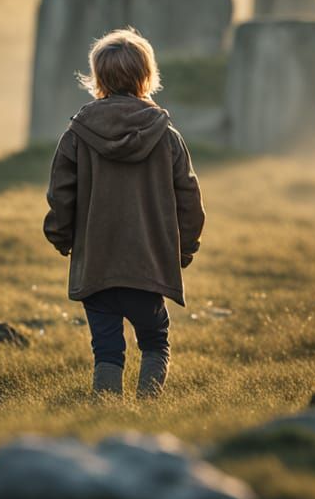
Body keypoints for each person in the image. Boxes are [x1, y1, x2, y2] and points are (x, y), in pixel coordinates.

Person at [43, 27, 205, 398]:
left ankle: (106, 415)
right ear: (147, 77)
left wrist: (62, 238)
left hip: (97, 264)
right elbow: (190, 200)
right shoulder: (167, 137)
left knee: (107, 350)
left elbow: (60, 194)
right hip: (147, 265)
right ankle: (147, 409)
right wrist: (184, 249)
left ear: (97, 78)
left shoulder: (77, 135)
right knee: (154, 341)